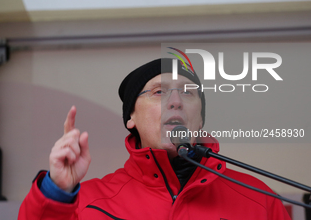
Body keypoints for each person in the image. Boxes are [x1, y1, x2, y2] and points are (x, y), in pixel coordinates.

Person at [18, 58, 290, 219]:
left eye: (187, 93)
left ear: (201, 119)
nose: (175, 101)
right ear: (131, 118)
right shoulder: (89, 202)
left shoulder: (260, 199)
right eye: (159, 92)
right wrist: (57, 192)